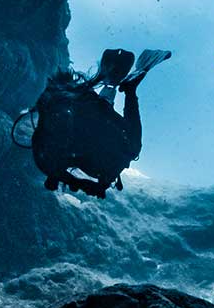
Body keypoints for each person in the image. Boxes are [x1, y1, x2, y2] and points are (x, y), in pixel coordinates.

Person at [28, 48, 171, 198]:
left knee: (131, 147)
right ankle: (123, 88)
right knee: (130, 146)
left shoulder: (49, 151)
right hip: (99, 144)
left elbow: (48, 159)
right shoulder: (50, 151)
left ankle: (121, 88)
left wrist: (86, 184)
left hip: (95, 137)